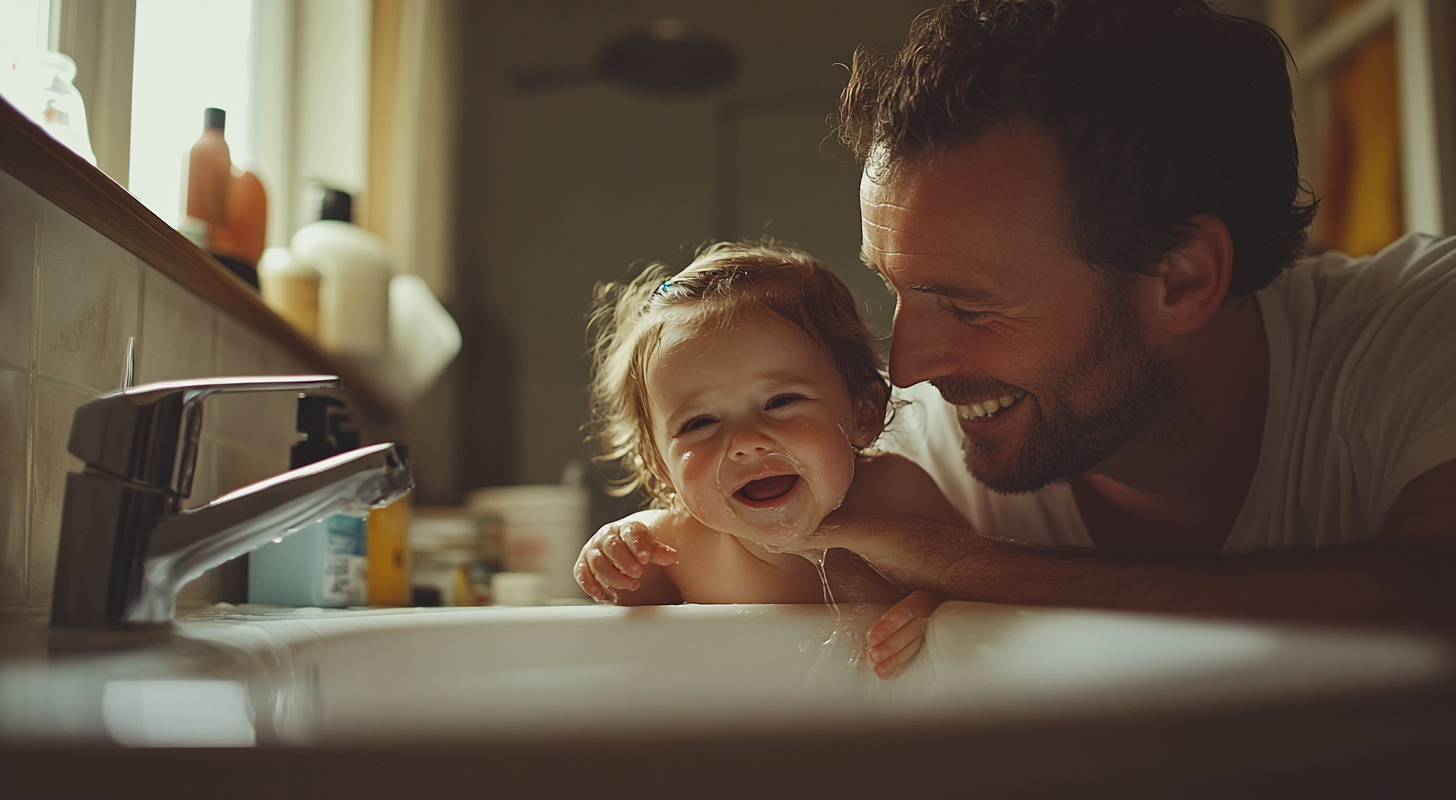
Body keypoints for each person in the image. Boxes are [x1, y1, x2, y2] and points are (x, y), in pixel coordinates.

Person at [780, 0, 1456, 630]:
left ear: (1184, 279)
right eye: (897, 289)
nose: (905, 368)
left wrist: (970, 569)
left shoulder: (1420, 328)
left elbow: (1432, 598)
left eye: (967, 305)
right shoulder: (911, 455)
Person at [575, 241, 968, 676]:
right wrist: (614, 562)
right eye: (699, 423)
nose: (745, 442)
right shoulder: (672, 545)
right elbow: (630, 633)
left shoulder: (898, 494)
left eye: (781, 400)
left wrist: (933, 609)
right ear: (658, 464)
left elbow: (978, 583)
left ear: (864, 411)